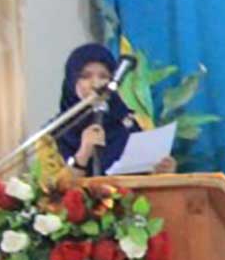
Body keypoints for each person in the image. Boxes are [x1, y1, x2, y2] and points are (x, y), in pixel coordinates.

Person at [52, 43, 173, 176]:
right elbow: (51, 185)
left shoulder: (135, 122)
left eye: (103, 76)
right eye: (85, 76)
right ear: (71, 81)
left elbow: (149, 176)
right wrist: (83, 153)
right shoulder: (55, 133)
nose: (96, 84)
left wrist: (162, 171)